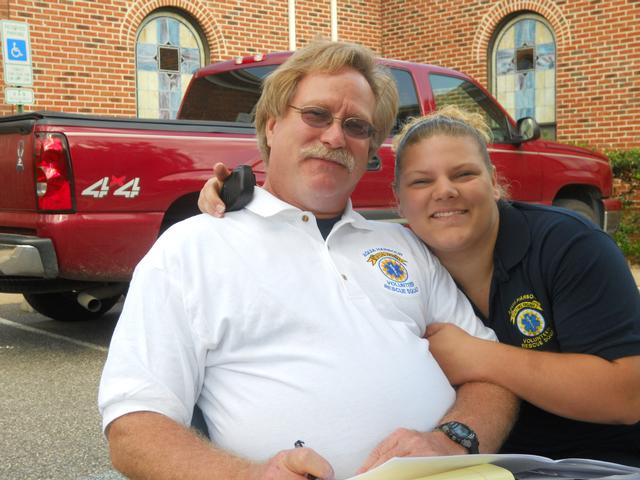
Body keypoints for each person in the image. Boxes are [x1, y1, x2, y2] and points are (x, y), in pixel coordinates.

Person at [98, 41, 518, 480]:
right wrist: (251, 477)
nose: (335, 137)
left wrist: (450, 440)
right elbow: (134, 425)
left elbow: (492, 376)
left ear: (370, 149)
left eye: (357, 126)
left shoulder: (404, 245)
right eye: (316, 115)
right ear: (272, 125)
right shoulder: (190, 250)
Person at [200, 105, 640, 467]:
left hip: (597, 461)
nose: (444, 191)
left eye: (464, 174)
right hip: (484, 466)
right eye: (422, 181)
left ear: (494, 181)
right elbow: (299, 230)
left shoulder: (568, 246)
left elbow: (628, 395)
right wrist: (241, 200)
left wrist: (477, 357)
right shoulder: (404, 252)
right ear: (399, 198)